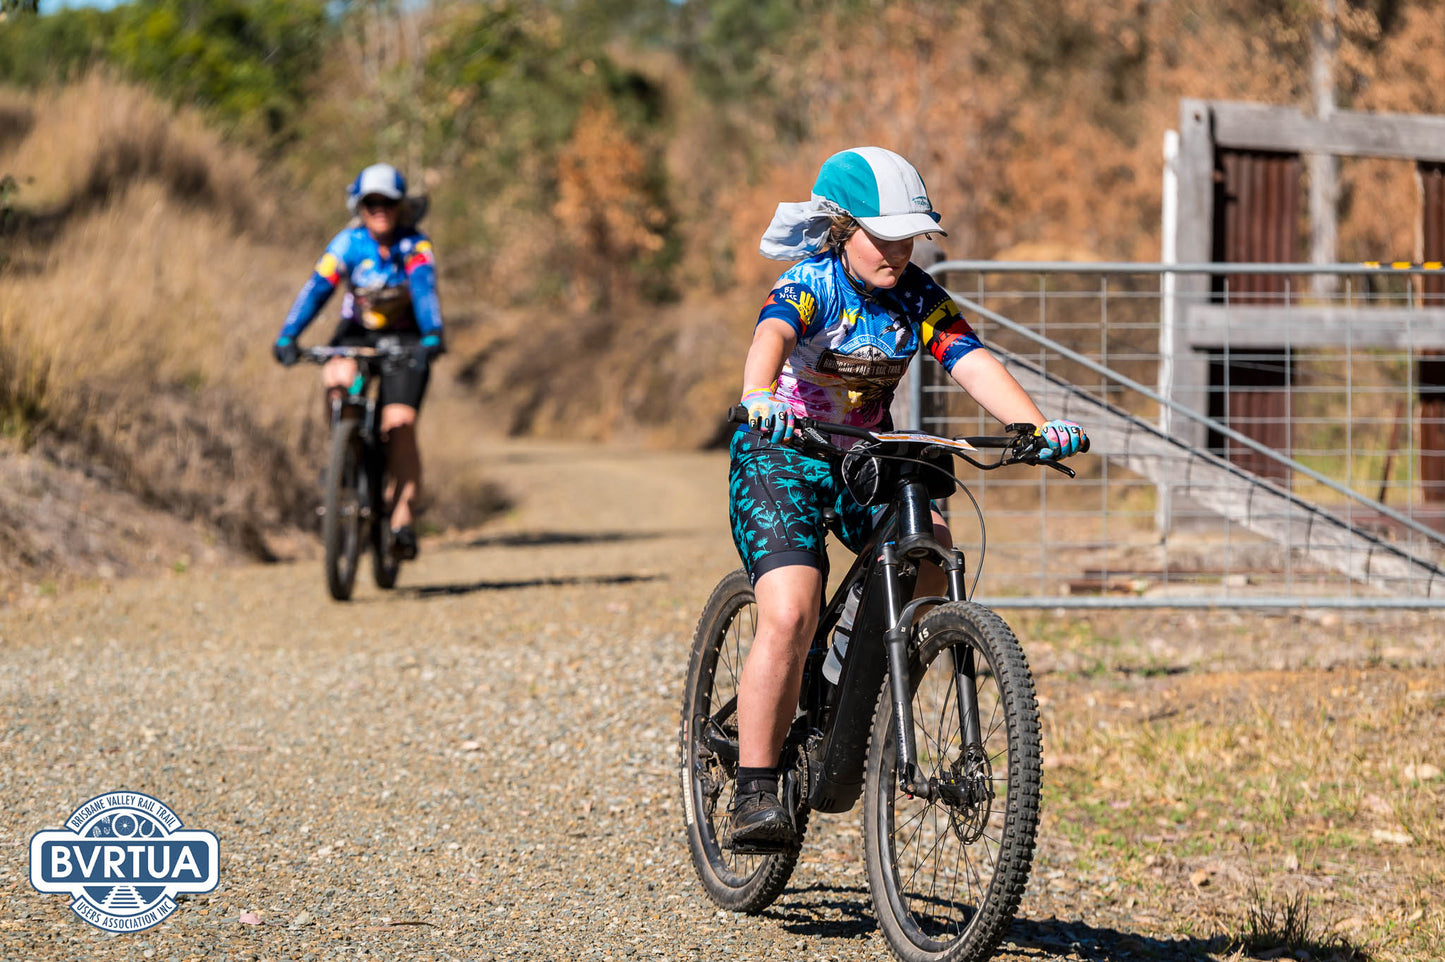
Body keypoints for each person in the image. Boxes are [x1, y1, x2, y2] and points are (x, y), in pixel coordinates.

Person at [727, 146, 1087, 848]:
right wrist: (757, 395)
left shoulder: (919, 296)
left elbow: (969, 358)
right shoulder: (812, 283)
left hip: (864, 456)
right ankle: (754, 785)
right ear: (841, 228)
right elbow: (770, 334)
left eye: (907, 238)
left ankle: (856, 670)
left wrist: (1034, 427)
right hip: (781, 453)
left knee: (932, 549)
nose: (897, 251)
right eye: (882, 237)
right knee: (790, 608)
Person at [271, 163, 445, 561]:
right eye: (371, 202)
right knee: (337, 378)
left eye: (387, 202)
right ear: (360, 206)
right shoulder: (348, 244)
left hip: (408, 338)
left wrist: (433, 333)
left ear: (401, 206)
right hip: (356, 334)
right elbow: (318, 287)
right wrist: (288, 335)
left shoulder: (414, 246)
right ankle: (343, 455)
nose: (379, 208)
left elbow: (423, 288)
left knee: (399, 423)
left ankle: (401, 519)